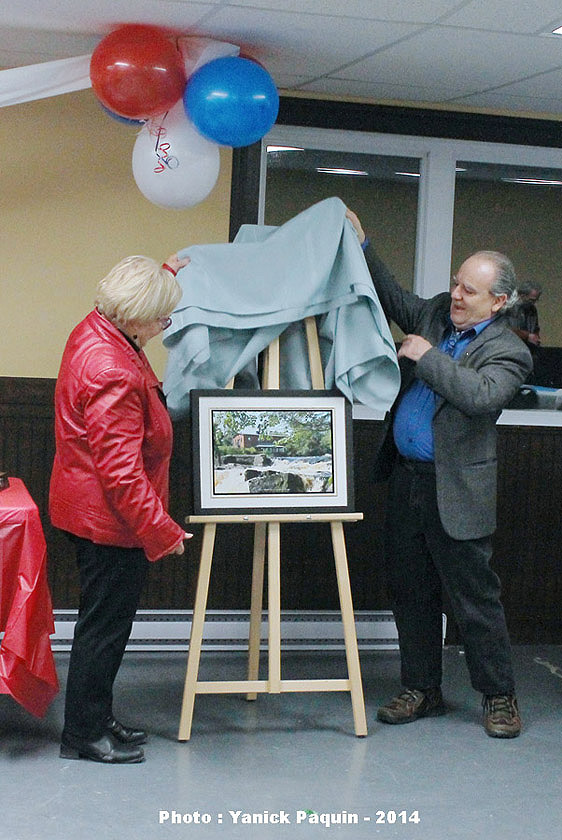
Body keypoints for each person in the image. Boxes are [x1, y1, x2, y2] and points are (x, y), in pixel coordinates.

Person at [346, 209, 532, 739]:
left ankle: (499, 697)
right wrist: (364, 246)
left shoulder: (508, 351)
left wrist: (427, 357)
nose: (455, 295)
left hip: (456, 492)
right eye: (455, 282)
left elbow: (480, 396)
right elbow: (395, 298)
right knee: (411, 592)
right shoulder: (431, 314)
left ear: (498, 302)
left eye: (469, 291)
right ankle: (421, 688)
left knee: (475, 602)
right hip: (406, 481)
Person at [49, 252, 192, 764]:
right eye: (161, 317)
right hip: (108, 520)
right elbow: (121, 473)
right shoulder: (112, 370)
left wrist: (165, 272)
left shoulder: (99, 325)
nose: (164, 326)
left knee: (102, 623)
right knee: (104, 629)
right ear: (134, 319)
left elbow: (137, 298)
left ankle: (95, 717)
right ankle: (83, 734)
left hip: (87, 507)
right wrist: (163, 530)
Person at [508, 281, 542, 350]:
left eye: (536, 300)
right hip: (510, 347)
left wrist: (536, 337)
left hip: (528, 348)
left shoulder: (532, 309)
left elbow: (535, 328)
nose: (534, 303)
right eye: (531, 300)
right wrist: (527, 336)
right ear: (522, 295)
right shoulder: (509, 308)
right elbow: (507, 329)